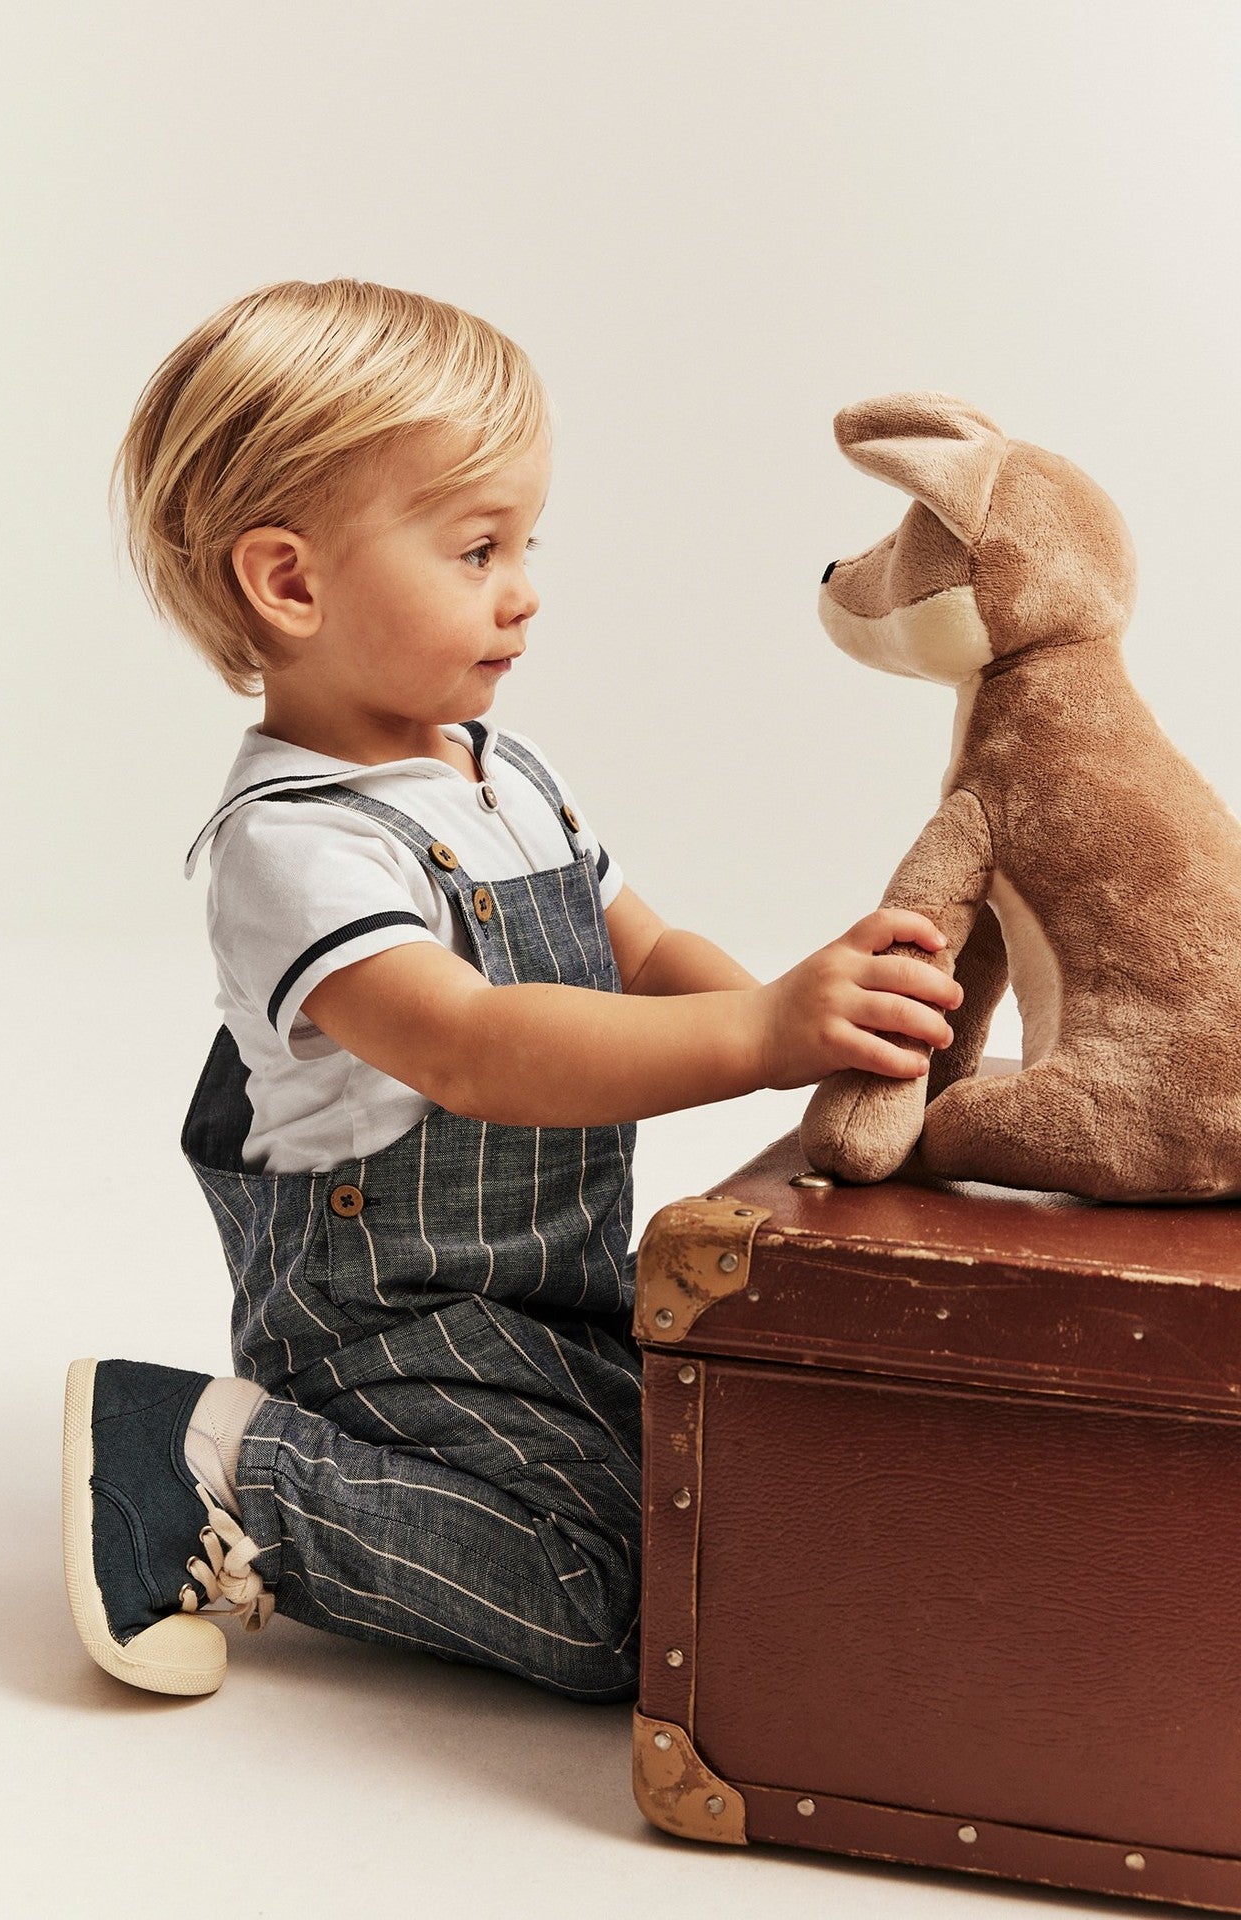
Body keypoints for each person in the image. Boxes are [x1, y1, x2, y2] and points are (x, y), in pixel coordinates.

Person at [62, 279, 961, 1704]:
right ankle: (213, 1448)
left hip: (558, 1290)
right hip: (387, 1321)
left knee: (741, 1490)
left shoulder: (503, 769)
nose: (526, 586)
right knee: (608, 1604)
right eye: (478, 547)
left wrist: (805, 1028)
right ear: (289, 583)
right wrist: (761, 1032)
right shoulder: (295, 842)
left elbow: (648, 956)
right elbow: (474, 1047)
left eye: (528, 541)